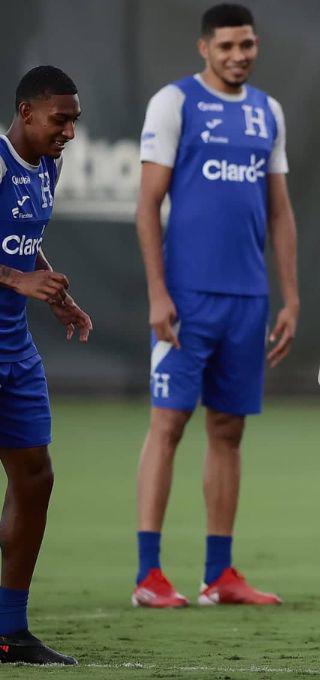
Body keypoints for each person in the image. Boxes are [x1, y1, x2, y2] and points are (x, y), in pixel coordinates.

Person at [132, 2, 298, 608]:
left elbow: (280, 211)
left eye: (247, 44)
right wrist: (157, 293)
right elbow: (148, 203)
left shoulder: (267, 112)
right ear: (204, 48)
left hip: (249, 300)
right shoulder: (174, 103)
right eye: (227, 45)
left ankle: (218, 575)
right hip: (187, 299)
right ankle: (149, 575)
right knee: (168, 425)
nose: (239, 55)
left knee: (227, 431)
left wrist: (290, 298)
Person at [0, 65, 90, 665]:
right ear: (27, 112)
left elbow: (19, 239)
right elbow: (13, 264)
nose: (70, 132)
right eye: (61, 119)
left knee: (36, 478)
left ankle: (10, 630)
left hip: (14, 349)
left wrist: (57, 297)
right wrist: (16, 279)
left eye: (75, 121)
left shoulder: (47, 167)